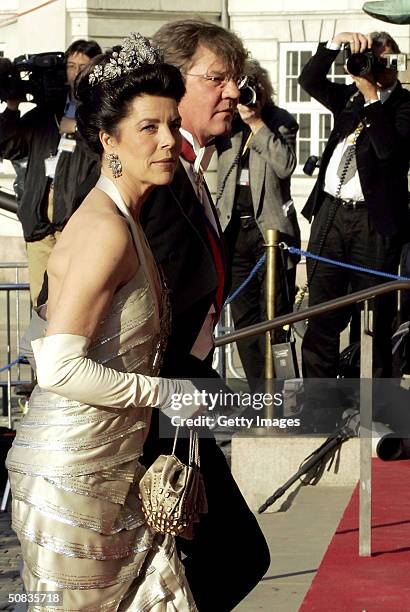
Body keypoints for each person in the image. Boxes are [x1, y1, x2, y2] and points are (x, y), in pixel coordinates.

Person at [6, 33, 205, 610]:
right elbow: (59, 367)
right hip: (70, 483)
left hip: (108, 470)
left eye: (172, 124)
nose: (169, 141)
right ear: (106, 139)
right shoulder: (104, 229)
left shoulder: (125, 219)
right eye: (149, 128)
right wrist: (163, 391)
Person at [140, 19, 270, 612]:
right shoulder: (154, 178)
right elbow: (144, 303)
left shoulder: (190, 168)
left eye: (235, 80)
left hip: (179, 395)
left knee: (194, 566)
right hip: (155, 403)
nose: (232, 93)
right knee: (234, 556)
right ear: (171, 83)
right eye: (216, 79)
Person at [298, 31, 410, 390]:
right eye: (371, 59)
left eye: (383, 60)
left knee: (373, 318)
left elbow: (388, 151)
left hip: (372, 223)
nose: (376, 68)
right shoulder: (349, 99)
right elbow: (310, 80)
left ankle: (375, 405)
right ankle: (320, 406)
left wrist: (373, 98)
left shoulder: (404, 106)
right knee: (322, 315)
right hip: (330, 213)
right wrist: (334, 44)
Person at [216, 59, 300, 390]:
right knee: (244, 320)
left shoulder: (280, 122)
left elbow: (285, 166)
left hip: (271, 232)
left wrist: (256, 122)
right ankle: (258, 395)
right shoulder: (228, 123)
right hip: (236, 230)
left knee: (276, 318)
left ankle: (282, 396)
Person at [0, 39, 101, 307]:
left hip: (76, 223)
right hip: (40, 226)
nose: (76, 71)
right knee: (41, 306)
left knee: (74, 303)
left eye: (83, 65)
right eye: (71, 65)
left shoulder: (101, 111)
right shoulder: (45, 114)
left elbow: (108, 151)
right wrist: (12, 107)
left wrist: (78, 129)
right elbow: (8, 145)